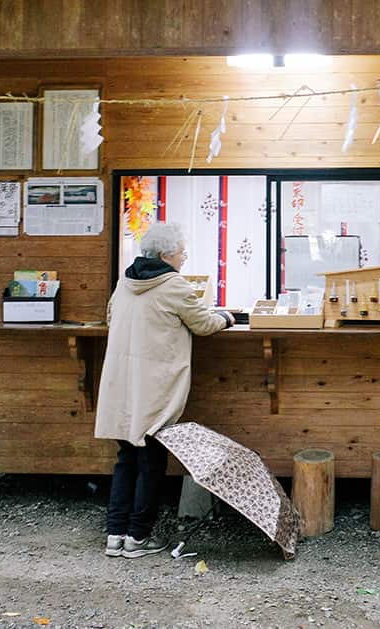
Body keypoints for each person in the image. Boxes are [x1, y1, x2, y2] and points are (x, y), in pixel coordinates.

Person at [94, 222, 234, 558]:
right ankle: (138, 538)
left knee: (126, 458)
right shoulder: (173, 285)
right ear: (166, 254)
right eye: (181, 251)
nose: (184, 257)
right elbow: (203, 324)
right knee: (152, 461)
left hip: (122, 386)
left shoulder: (125, 282)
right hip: (153, 388)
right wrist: (227, 318)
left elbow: (112, 318)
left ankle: (116, 534)